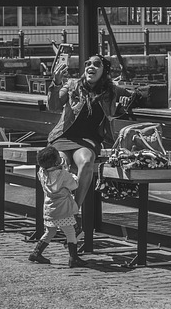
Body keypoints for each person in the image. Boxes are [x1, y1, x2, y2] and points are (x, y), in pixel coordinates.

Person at [46, 54, 138, 222]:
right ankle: (58, 211)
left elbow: (136, 96)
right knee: (61, 165)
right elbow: (53, 106)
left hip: (88, 139)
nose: (90, 66)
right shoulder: (73, 85)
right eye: (87, 63)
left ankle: (74, 209)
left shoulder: (111, 90)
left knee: (87, 162)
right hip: (64, 137)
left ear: (104, 71)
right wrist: (57, 83)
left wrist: (127, 101)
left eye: (96, 64)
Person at [29, 146, 88, 268]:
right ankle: (74, 258)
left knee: (50, 231)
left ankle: (36, 252)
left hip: (49, 207)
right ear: (57, 161)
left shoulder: (42, 172)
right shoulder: (63, 175)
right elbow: (74, 185)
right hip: (63, 208)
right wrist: (72, 174)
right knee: (71, 232)